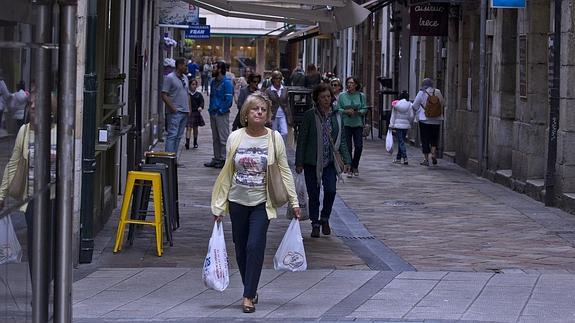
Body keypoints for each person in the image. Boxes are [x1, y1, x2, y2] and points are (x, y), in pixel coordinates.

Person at [211, 92, 301, 313]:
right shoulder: (235, 137)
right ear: (246, 114)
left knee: (255, 245)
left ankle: (248, 295)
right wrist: (220, 206)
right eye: (255, 109)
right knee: (240, 248)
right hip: (237, 201)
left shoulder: (274, 138)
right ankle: (250, 286)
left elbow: (284, 171)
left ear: (268, 114)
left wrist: (294, 201)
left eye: (263, 109)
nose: (259, 112)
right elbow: (227, 173)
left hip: (263, 202)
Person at [0, 90, 57, 279]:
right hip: (32, 199)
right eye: (30, 103)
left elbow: (73, 164)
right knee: (35, 246)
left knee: (52, 244)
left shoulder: (61, 132)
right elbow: (13, 164)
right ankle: (38, 288)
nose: (32, 106)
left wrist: (58, 159)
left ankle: (51, 282)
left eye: (36, 103)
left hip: (56, 199)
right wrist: (1, 195)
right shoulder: (24, 131)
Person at [296, 83, 351, 238]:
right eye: (323, 97)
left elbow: (343, 140)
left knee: (331, 190)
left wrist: (347, 160)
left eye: (328, 96)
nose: (326, 100)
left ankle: (325, 217)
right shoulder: (309, 115)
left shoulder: (337, 116)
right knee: (313, 195)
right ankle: (315, 223)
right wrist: (299, 162)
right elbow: (302, 139)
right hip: (311, 161)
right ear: (317, 99)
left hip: (329, 162)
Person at [204, 61, 233, 169]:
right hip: (213, 112)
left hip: (222, 114)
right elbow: (212, 96)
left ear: (220, 69)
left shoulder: (227, 83)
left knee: (223, 138)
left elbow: (229, 100)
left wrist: (221, 109)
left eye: (215, 67)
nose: (212, 69)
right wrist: (211, 109)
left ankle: (223, 159)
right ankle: (216, 158)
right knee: (215, 138)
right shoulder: (213, 82)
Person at [337, 76, 367, 177]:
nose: (350, 85)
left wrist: (358, 112)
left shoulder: (361, 96)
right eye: (348, 83)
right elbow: (337, 109)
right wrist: (346, 111)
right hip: (346, 123)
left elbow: (364, 108)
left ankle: (355, 165)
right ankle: (349, 167)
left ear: (356, 85)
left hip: (357, 123)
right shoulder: (342, 96)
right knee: (348, 147)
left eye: (352, 83)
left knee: (359, 146)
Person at [412, 78, 444, 166]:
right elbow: (442, 102)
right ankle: (433, 153)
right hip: (437, 119)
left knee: (425, 139)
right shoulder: (437, 91)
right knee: (434, 137)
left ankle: (426, 159)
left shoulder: (421, 93)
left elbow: (415, 105)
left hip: (424, 119)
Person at [161, 57, 189, 153]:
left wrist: (189, 109)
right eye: (185, 65)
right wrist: (173, 108)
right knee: (172, 135)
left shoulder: (185, 78)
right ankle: (168, 159)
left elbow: (187, 93)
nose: (187, 67)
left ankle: (174, 158)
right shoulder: (170, 78)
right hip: (174, 112)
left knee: (178, 136)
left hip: (184, 111)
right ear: (180, 66)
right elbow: (164, 94)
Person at [389, 91, 414, 165]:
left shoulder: (396, 105)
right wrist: (410, 123)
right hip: (405, 126)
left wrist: (391, 125)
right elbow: (411, 116)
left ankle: (405, 157)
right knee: (401, 141)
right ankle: (398, 158)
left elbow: (393, 116)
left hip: (398, 126)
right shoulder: (410, 105)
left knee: (401, 141)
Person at [265, 70, 290, 141]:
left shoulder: (285, 89)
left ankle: (282, 147)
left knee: (285, 133)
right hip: (273, 115)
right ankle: (274, 149)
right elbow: (266, 104)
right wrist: (267, 117)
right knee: (273, 134)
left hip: (283, 114)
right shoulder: (268, 90)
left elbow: (287, 103)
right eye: (276, 78)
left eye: (279, 78)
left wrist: (289, 116)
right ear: (273, 79)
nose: (278, 80)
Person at [185, 79, 205, 150]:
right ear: (189, 85)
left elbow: (202, 102)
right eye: (192, 84)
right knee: (188, 128)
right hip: (189, 113)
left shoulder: (198, 95)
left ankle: (195, 142)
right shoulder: (187, 94)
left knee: (195, 128)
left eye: (195, 84)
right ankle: (187, 142)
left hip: (196, 112)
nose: (194, 86)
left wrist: (200, 107)